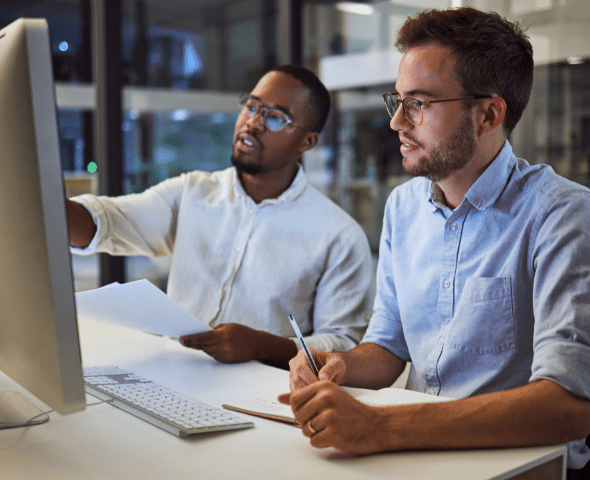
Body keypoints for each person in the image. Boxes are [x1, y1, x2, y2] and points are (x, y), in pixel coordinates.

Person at [279, 7, 590, 476]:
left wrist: (383, 427)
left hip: (514, 467)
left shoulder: (559, 211)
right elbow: (388, 347)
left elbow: (567, 407)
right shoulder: (402, 207)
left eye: (418, 103)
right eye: (396, 100)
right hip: (417, 455)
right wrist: (337, 363)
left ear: (488, 114)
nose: (397, 122)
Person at [67, 65, 373, 370]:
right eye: (252, 106)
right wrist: (42, 200)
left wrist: (262, 347)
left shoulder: (339, 234)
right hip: (173, 372)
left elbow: (343, 343)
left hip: (261, 393)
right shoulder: (192, 192)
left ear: (307, 142)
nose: (253, 123)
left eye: (275, 118)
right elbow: (106, 222)